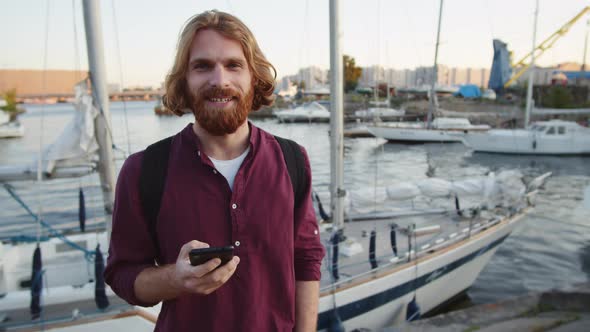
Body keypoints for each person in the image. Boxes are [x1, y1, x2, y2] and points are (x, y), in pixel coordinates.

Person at [104, 10, 325, 332]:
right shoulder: (144, 170)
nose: (220, 80)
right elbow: (122, 276)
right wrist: (175, 279)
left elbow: (306, 259)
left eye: (234, 65)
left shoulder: (292, 159)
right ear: (184, 79)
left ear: (254, 76)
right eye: (202, 66)